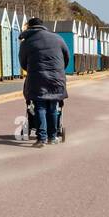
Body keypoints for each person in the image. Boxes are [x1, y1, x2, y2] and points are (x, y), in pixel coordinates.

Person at [18, 18, 69, 148]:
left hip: (37, 78)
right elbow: (66, 58)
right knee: (53, 107)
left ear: (29, 27)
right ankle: (53, 137)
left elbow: (23, 63)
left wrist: (33, 69)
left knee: (39, 107)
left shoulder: (27, 41)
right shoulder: (58, 38)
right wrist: (58, 70)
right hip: (57, 78)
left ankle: (42, 139)